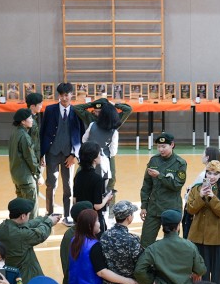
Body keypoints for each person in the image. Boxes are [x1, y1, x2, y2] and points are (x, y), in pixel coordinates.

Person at [186, 160, 220, 284]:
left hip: (217, 237)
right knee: (200, 270)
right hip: (198, 235)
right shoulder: (196, 189)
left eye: (215, 174)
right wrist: (200, 196)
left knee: (218, 271)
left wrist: (213, 198)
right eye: (209, 173)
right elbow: (190, 209)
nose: (212, 176)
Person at [40, 82, 85, 226]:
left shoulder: (77, 111)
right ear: (58, 96)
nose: (64, 98)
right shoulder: (50, 110)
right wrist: (42, 154)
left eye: (66, 95)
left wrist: (75, 155)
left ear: (71, 95)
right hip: (52, 153)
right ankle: (49, 213)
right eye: (61, 95)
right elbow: (43, 132)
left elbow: (81, 135)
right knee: (51, 184)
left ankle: (67, 215)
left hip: (68, 155)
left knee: (68, 186)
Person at [0, 197, 56, 284]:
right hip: (24, 278)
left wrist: (45, 218)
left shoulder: (3, 227)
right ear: (23, 216)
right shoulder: (21, 235)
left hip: (9, 274)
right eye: (28, 214)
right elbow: (41, 234)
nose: (29, 216)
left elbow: (27, 224)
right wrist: (49, 222)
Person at [79, 96, 133, 200]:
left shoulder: (111, 123)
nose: (97, 114)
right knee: (85, 176)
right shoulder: (93, 122)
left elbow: (128, 109)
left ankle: (109, 206)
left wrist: (114, 105)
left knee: (110, 180)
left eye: (100, 111)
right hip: (99, 155)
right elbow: (77, 109)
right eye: (95, 111)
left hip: (103, 156)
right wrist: (92, 104)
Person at [140, 132, 188, 247]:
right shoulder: (154, 161)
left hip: (171, 209)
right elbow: (146, 185)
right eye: (158, 147)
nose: (161, 149)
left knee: (172, 243)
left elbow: (177, 185)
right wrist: (144, 206)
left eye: (163, 146)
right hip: (153, 209)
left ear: (172, 145)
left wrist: (159, 176)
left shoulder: (180, 163)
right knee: (145, 242)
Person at [73, 142, 114, 232]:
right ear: (94, 159)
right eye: (99, 154)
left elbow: (75, 200)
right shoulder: (97, 179)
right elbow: (97, 206)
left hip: (81, 219)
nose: (100, 156)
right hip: (94, 220)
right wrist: (107, 198)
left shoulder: (78, 176)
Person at [184, 146, 220, 238]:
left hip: (196, 209)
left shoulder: (205, 175)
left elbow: (200, 192)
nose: (202, 156)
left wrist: (188, 193)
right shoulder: (217, 174)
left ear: (207, 157)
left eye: (203, 154)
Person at [9, 108, 40, 214]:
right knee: (31, 212)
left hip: (17, 177)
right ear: (23, 121)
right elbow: (30, 158)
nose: (32, 120)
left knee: (21, 211)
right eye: (30, 118)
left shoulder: (14, 133)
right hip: (27, 179)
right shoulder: (24, 137)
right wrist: (38, 174)